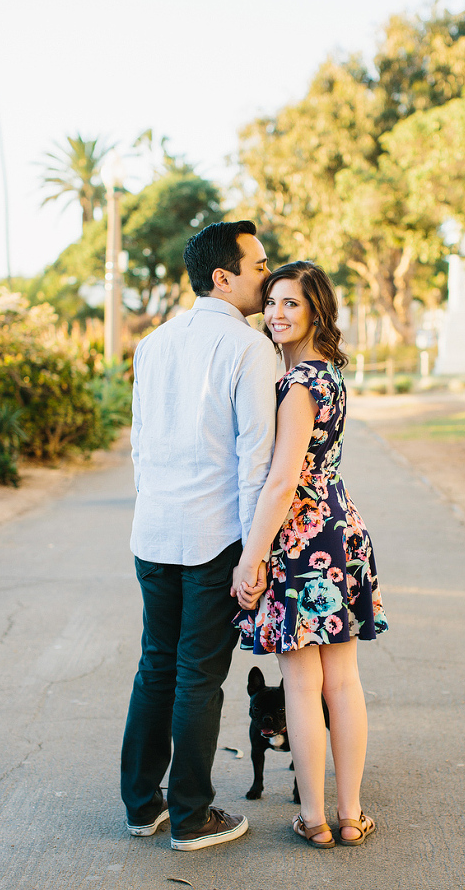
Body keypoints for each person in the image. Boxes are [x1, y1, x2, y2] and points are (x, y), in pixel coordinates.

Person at [121, 219, 277, 851]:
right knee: (197, 677)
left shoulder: (153, 345)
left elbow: (137, 446)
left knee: (155, 666)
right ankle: (191, 817)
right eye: (259, 266)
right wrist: (254, 554)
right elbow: (255, 460)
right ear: (225, 277)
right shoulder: (250, 348)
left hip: (153, 532)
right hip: (215, 537)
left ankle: (141, 806)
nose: (267, 276)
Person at [232, 260, 387, 849]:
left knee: (302, 684)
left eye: (290, 303)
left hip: (301, 539)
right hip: (339, 527)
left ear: (317, 309)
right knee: (343, 681)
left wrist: (252, 557)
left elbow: (281, 481)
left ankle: (316, 818)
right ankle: (351, 816)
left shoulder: (297, 385)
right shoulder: (330, 378)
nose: (275, 313)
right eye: (270, 301)